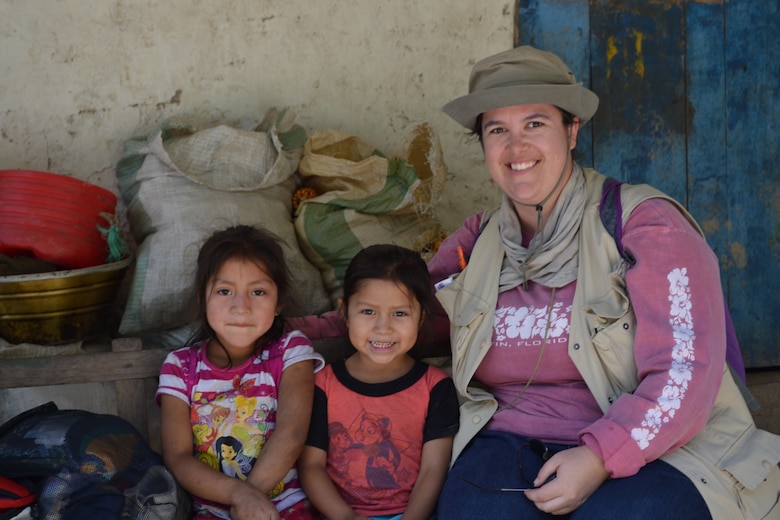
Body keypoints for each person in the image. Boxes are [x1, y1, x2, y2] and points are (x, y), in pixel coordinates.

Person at [289, 46, 780, 519]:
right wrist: (285, 332)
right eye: (497, 129)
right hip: (508, 441)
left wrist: (597, 458)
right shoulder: (476, 243)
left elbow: (683, 375)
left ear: (572, 130)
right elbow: (405, 315)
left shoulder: (644, 224)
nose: (516, 146)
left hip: (655, 447)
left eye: (536, 124)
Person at [156, 225, 325, 520]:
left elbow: (292, 432)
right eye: (224, 291)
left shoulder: (290, 352)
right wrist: (239, 496)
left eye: (258, 292)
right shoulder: (181, 367)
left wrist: (251, 499)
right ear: (202, 297)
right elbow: (178, 457)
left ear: (278, 303)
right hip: (212, 510)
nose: (241, 307)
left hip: (285, 507)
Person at [297, 244, 460, 520]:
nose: (383, 327)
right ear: (344, 312)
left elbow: (434, 468)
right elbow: (311, 465)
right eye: (368, 312)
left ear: (421, 317)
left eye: (400, 313)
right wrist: (345, 516)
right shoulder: (322, 384)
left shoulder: (436, 387)